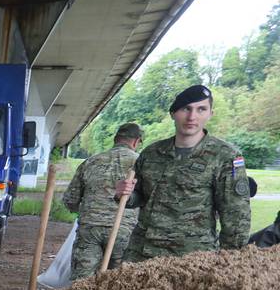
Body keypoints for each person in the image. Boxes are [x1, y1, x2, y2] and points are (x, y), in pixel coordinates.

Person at [115, 85, 252, 262]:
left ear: (210, 114)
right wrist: (123, 194)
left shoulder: (226, 156)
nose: (192, 117)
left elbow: (236, 216)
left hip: (191, 260)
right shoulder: (152, 153)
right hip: (142, 253)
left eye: (201, 109)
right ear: (173, 113)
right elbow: (139, 196)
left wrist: (229, 263)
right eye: (185, 108)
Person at [63, 123, 143, 279]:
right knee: (117, 284)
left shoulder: (90, 162)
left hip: (90, 230)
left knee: (82, 283)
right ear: (136, 141)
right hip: (124, 231)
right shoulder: (142, 163)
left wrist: (87, 211)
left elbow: (70, 200)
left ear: (115, 139)